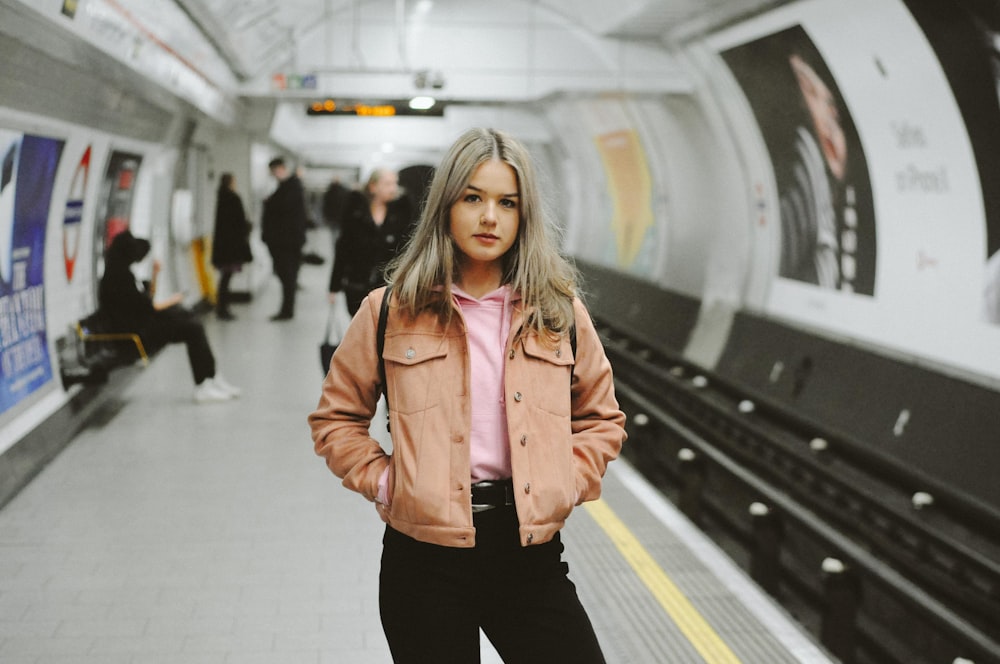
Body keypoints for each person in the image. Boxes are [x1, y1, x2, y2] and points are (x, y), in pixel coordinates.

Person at [308, 128, 627, 663]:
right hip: (424, 561)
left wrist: (565, 482)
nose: (489, 217)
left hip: (528, 554)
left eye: (508, 203)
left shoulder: (558, 313)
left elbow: (601, 418)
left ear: (524, 216)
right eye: (473, 198)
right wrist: (387, 482)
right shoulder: (389, 310)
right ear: (445, 206)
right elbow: (335, 419)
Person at [98, 230, 240, 404]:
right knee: (193, 329)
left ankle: (211, 377)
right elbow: (149, 306)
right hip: (136, 333)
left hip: (141, 323)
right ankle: (204, 384)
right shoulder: (118, 278)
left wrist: (156, 275)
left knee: (189, 319)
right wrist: (174, 299)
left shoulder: (121, 272)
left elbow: (145, 300)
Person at [327, 168, 414, 315]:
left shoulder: (402, 212)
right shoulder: (355, 211)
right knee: (361, 328)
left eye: (395, 183)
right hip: (357, 283)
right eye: (387, 184)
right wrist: (334, 286)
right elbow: (343, 249)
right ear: (373, 186)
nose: (393, 188)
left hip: (388, 286)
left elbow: (408, 250)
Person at [261, 157, 308, 320]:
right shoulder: (288, 187)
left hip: (287, 242)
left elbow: (284, 212)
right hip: (286, 241)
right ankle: (287, 309)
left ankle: (287, 310)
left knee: (287, 275)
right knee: (287, 275)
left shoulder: (291, 188)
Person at [210, 173, 253, 320]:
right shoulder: (234, 199)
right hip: (231, 248)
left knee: (224, 278)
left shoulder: (221, 198)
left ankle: (222, 307)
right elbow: (240, 223)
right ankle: (223, 308)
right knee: (226, 278)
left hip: (223, 248)